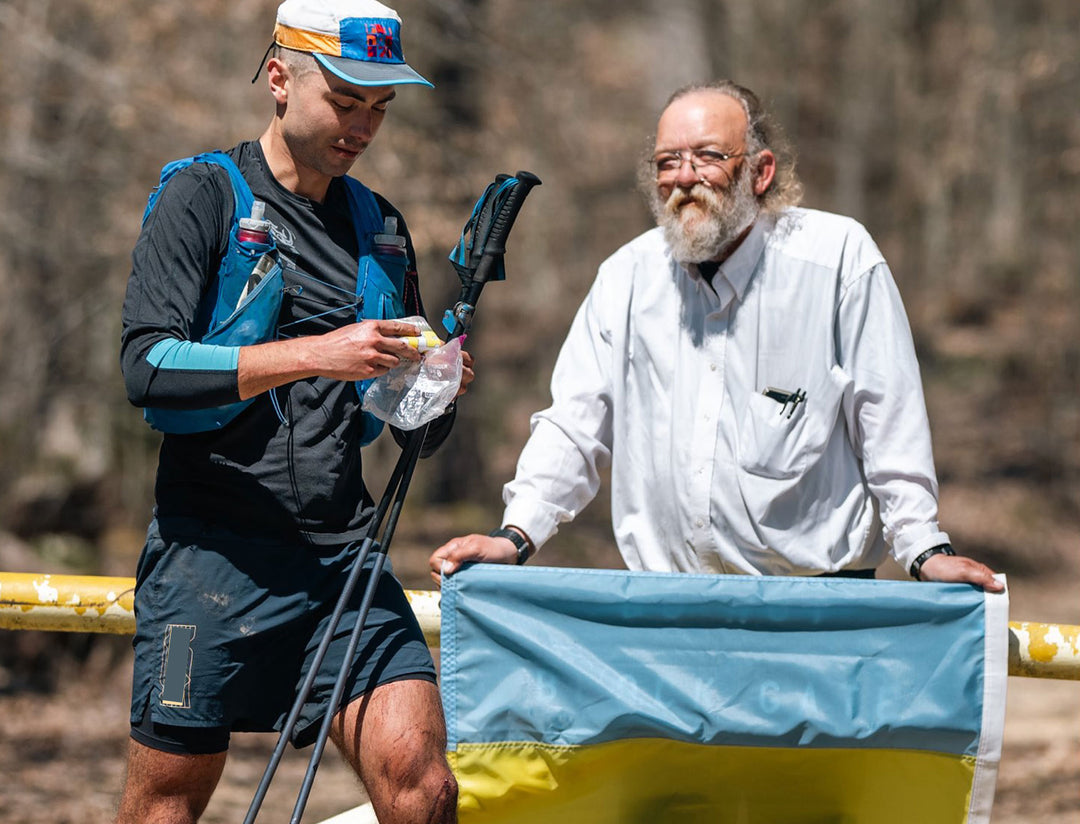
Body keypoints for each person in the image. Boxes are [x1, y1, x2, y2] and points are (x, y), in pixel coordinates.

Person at [430, 80, 1002, 594]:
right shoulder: (625, 277)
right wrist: (516, 534)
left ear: (761, 171)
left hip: (820, 607)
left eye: (707, 156)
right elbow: (575, 424)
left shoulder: (837, 258)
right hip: (669, 606)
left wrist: (923, 547)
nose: (683, 177)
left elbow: (888, 417)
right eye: (667, 161)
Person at [117, 1, 467, 821]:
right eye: (346, 101)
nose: (364, 126)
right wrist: (320, 352)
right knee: (165, 805)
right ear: (280, 78)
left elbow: (418, 430)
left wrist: (436, 385)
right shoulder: (201, 194)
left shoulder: (382, 226)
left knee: (424, 783)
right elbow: (147, 368)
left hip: (341, 559)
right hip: (209, 557)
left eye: (381, 107)